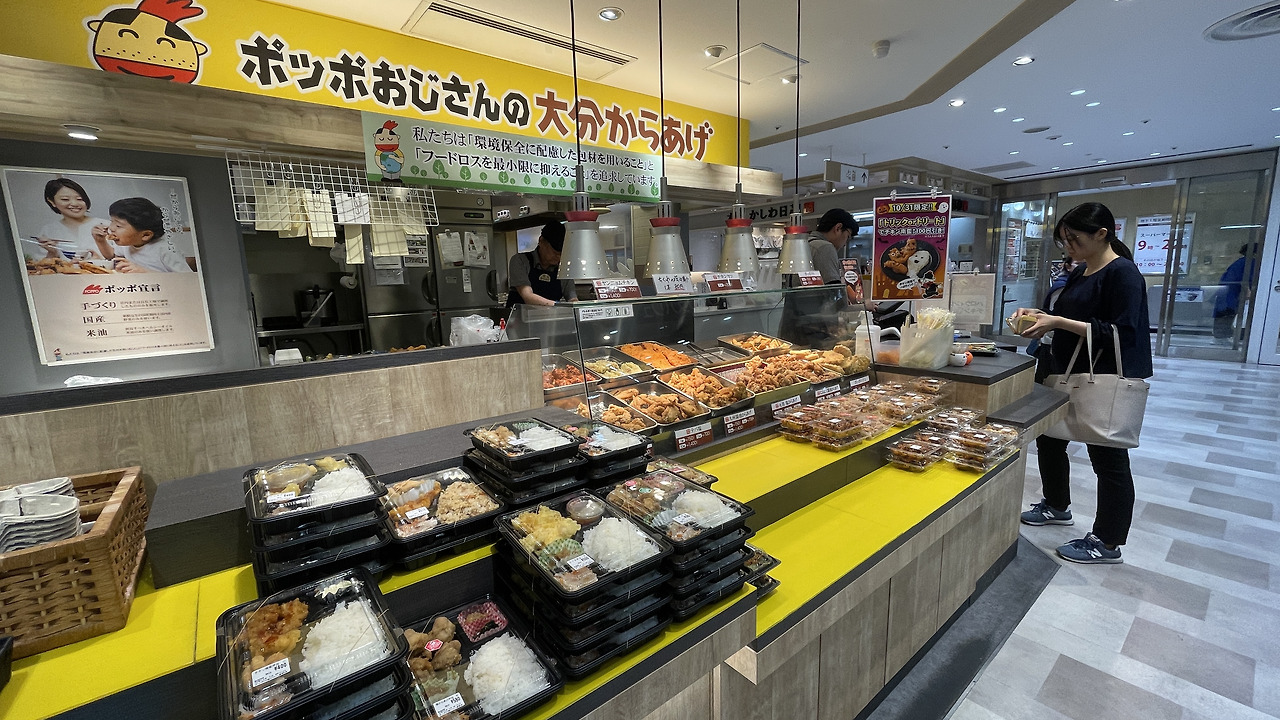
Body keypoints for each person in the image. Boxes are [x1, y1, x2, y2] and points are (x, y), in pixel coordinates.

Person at [1013, 202, 1152, 565]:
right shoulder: (1082, 271)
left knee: (1107, 455)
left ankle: (1107, 541)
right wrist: (1039, 316)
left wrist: (1058, 323)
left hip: (1103, 375)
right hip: (1066, 369)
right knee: (1049, 437)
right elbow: (1067, 316)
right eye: (1064, 240)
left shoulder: (1122, 273)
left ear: (1102, 234)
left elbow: (1123, 332)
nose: (1068, 247)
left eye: (1074, 239)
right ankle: (1056, 504)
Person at [95, 197, 193, 273]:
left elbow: (187, 279)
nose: (111, 228)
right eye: (111, 221)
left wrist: (145, 272)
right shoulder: (128, 242)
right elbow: (112, 255)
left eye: (118, 225)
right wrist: (100, 241)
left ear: (145, 235)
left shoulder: (165, 250)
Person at [1026, 258, 1078, 382]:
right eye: (1078, 264)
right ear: (1067, 266)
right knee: (1045, 381)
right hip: (1051, 342)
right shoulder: (1062, 286)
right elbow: (1053, 313)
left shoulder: (1076, 284)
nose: (1082, 267)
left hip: (1060, 343)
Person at [506, 220, 576, 307]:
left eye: (562, 254)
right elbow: (528, 296)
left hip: (551, 315)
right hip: (520, 315)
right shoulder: (520, 261)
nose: (559, 258)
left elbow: (572, 299)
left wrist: (576, 305)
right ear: (541, 241)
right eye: (555, 253)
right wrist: (559, 306)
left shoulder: (563, 269)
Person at [37, 178, 109, 258]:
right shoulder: (49, 230)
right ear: (52, 201)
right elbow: (41, 263)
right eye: (65, 199)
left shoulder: (106, 225)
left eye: (79, 199)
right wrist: (52, 253)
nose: (74, 204)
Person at [1212, 243, 1259, 340]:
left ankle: (1220, 337)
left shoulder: (1240, 262)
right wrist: (1249, 292)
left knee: (1223, 316)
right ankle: (1223, 338)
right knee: (1228, 315)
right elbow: (1246, 280)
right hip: (1232, 295)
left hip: (1226, 294)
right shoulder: (1250, 263)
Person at [809, 208, 859, 284]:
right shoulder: (824, 247)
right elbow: (832, 288)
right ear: (838, 228)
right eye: (848, 237)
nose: (845, 244)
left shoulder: (806, 244)